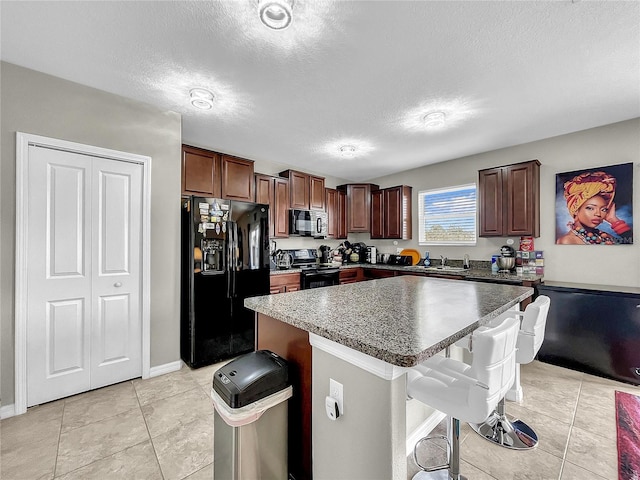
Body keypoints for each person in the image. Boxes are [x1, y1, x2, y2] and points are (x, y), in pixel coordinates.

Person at [556, 170, 632, 245]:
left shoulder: (604, 236)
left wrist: (613, 220)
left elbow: (633, 246)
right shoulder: (567, 241)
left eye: (603, 209)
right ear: (576, 209)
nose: (598, 214)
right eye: (590, 208)